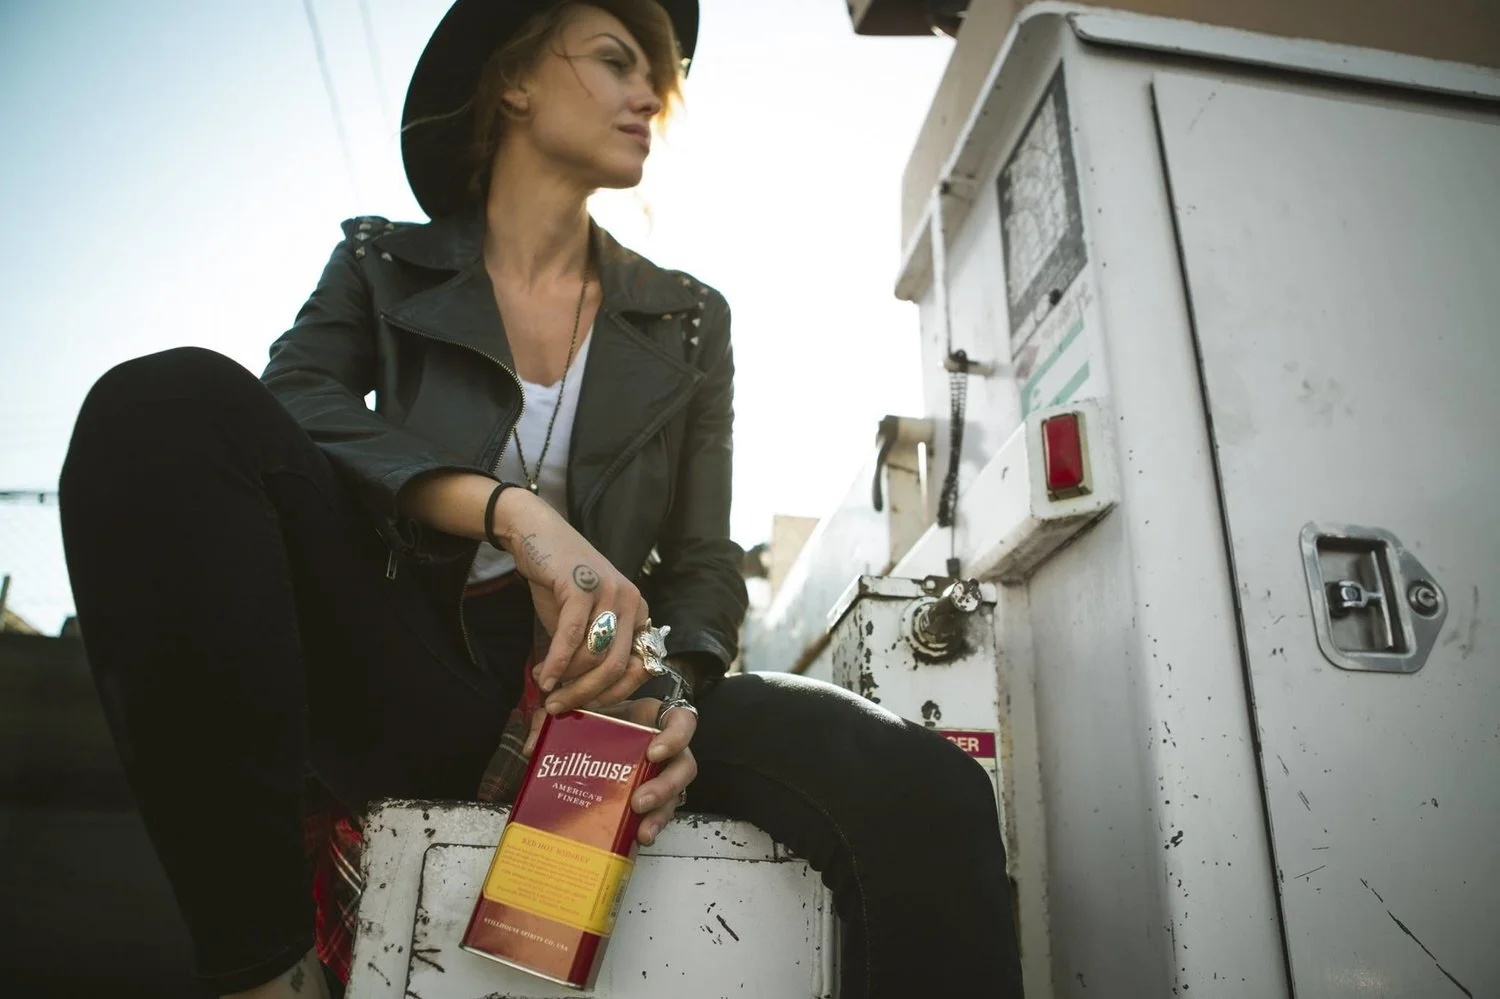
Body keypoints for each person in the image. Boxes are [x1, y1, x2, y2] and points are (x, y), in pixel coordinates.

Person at [57, 2, 1023, 997]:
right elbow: (296, 402)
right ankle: (264, 971)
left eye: (655, 77)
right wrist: (511, 513)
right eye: (615, 61)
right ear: (513, 83)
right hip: (409, 665)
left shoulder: (689, 318)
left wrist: (676, 691)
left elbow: (699, 559)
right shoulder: (379, 264)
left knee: (928, 786)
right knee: (162, 404)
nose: (647, 95)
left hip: (606, 694)